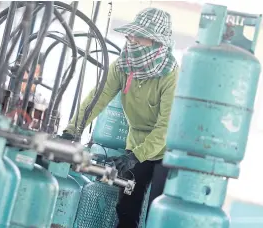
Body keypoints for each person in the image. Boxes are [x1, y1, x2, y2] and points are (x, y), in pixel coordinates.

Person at [61, 8, 179, 228]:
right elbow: (97, 98)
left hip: (167, 149)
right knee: (126, 208)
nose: (131, 40)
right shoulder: (123, 65)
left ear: (155, 42)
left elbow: (166, 127)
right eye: (131, 35)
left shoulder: (171, 76)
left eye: (139, 37)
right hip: (137, 143)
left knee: (157, 212)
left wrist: (135, 156)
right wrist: (72, 131)